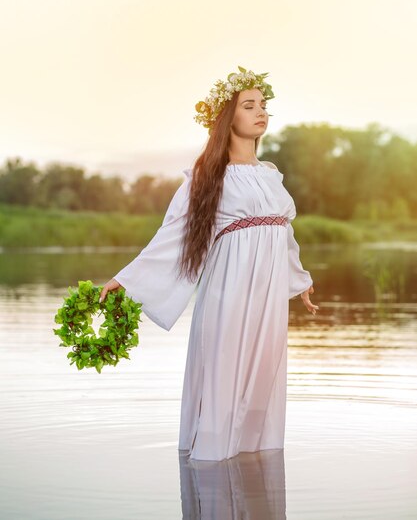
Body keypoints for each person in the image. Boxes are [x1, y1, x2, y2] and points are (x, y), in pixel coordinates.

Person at [99, 65, 319, 462]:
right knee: (224, 373)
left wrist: (299, 280)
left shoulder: (270, 175)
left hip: (267, 299)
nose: (260, 112)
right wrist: (126, 280)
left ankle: (256, 469)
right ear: (227, 119)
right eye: (248, 105)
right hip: (229, 292)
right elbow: (172, 235)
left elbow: (282, 234)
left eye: (263, 105)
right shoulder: (207, 176)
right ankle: (212, 465)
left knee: (263, 375)